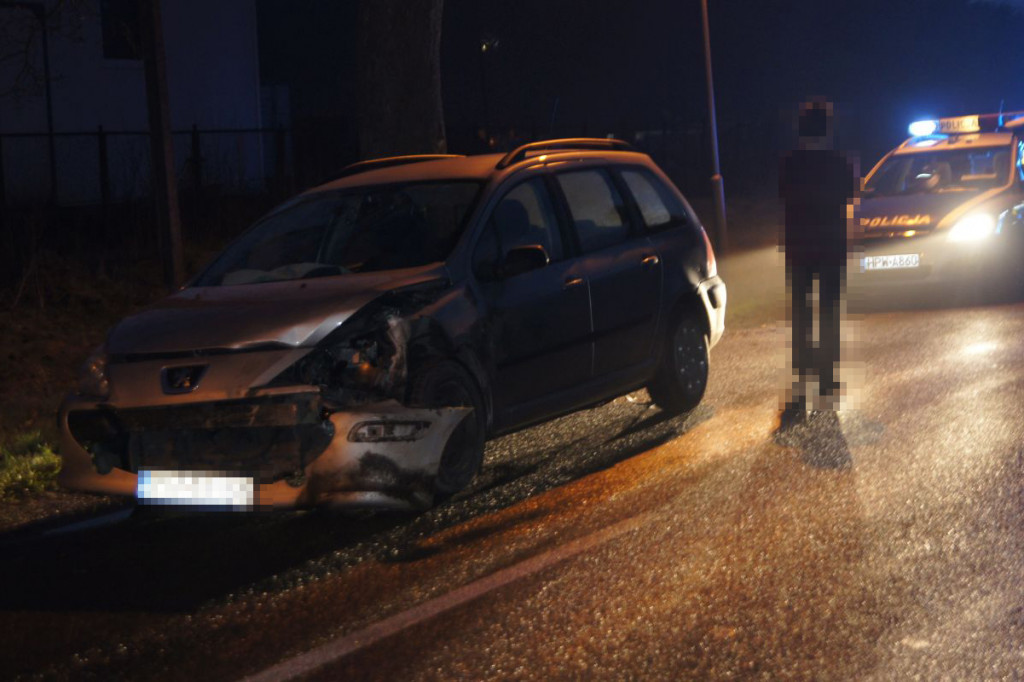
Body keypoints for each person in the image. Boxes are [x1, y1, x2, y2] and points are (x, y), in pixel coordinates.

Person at [778, 99, 858, 427]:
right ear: (828, 128)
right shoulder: (840, 162)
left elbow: (783, 195)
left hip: (799, 249)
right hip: (830, 248)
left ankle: (800, 388)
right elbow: (850, 196)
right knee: (828, 316)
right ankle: (826, 383)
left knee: (801, 319)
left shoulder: (790, 163)